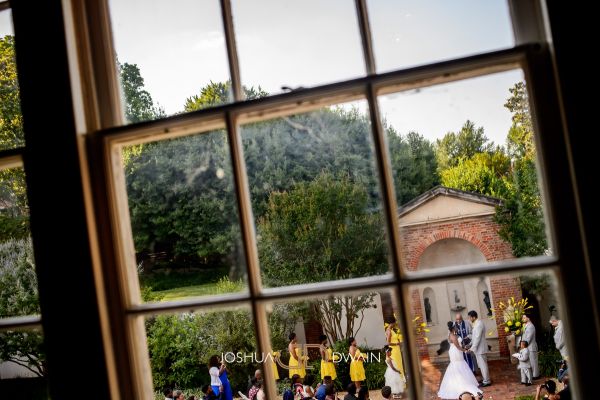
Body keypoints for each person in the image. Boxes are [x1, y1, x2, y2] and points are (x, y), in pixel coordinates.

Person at [437, 322, 482, 399]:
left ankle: (464, 380)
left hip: (457, 351)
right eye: (456, 327)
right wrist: (465, 351)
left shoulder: (453, 334)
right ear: (453, 328)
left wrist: (465, 347)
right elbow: (458, 346)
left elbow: (460, 344)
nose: (457, 328)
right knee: (457, 365)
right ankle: (460, 382)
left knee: (461, 364)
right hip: (455, 352)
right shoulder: (453, 336)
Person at [467, 310, 491, 387]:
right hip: (478, 349)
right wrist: (470, 344)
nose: (469, 319)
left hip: (481, 348)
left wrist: (472, 348)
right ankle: (485, 379)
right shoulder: (476, 324)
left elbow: (477, 338)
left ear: (474, 317)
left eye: (470, 317)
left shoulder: (479, 324)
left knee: (483, 365)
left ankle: (487, 381)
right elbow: (474, 337)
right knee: (481, 365)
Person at [521, 314, 540, 379]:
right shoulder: (526, 325)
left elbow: (529, 338)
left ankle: (536, 375)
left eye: (524, 317)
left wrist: (523, 345)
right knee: (530, 362)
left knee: (533, 362)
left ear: (528, 318)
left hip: (531, 347)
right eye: (523, 318)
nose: (523, 319)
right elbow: (524, 336)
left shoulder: (531, 326)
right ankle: (532, 375)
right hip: (527, 347)